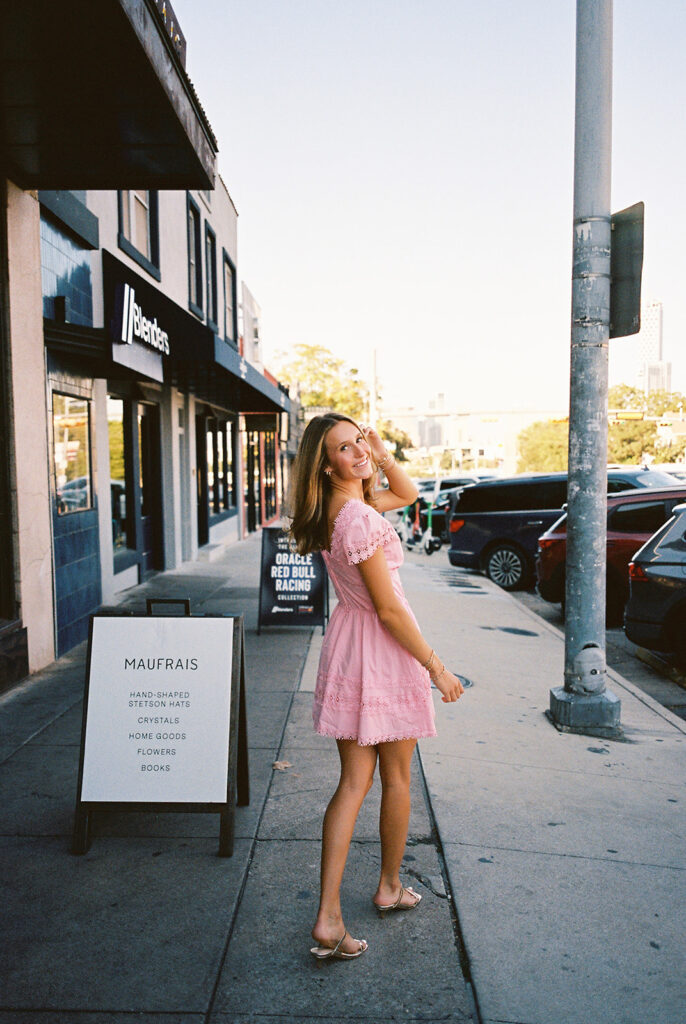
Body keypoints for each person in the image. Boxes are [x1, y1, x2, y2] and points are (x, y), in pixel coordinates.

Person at [287, 412, 464, 962]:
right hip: (383, 652)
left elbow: (405, 494)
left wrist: (378, 453)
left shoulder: (336, 513)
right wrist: (436, 666)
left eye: (358, 439)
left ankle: (331, 916)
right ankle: (386, 887)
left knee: (353, 783)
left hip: (351, 645)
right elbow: (388, 609)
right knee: (396, 778)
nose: (358, 451)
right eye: (345, 447)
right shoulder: (360, 520)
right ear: (326, 462)